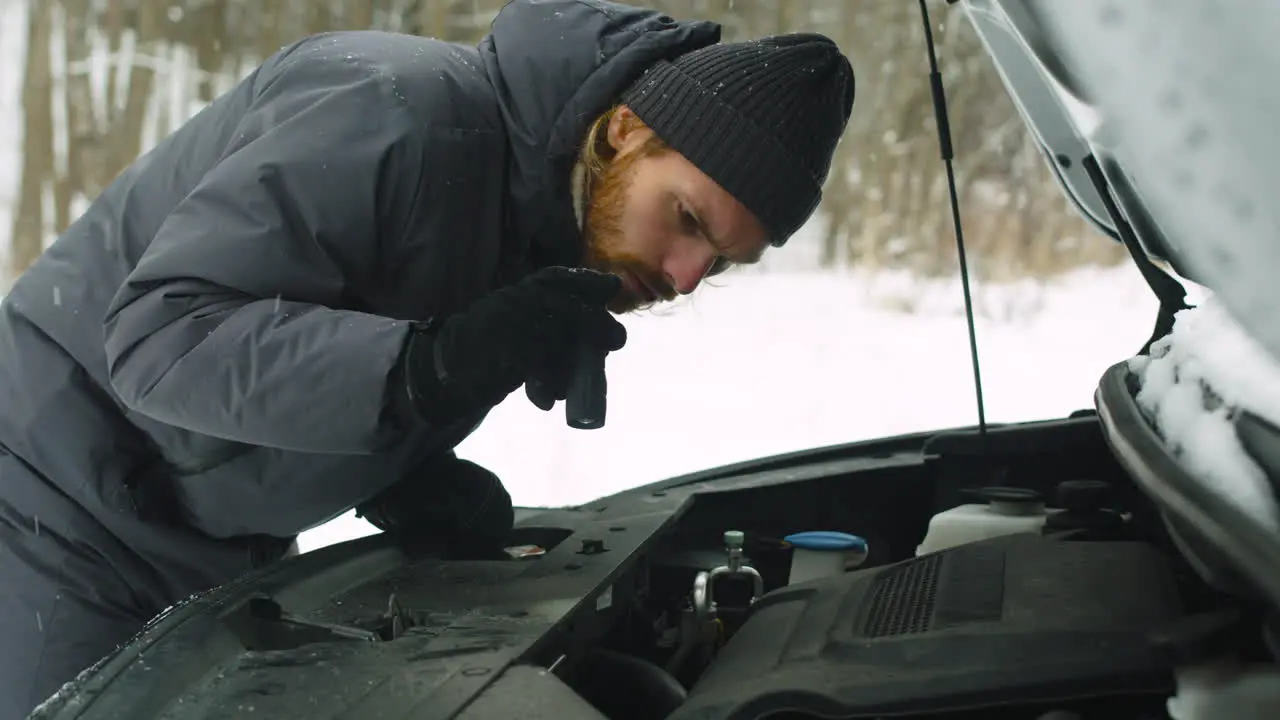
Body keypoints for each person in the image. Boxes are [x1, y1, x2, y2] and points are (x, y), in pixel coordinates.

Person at [0, 0, 854, 715]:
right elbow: (160, 339)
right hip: (50, 505)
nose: (684, 276)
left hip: (211, 548)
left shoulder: (546, 228)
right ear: (627, 129)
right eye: (690, 222)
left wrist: (396, 473)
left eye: (723, 263)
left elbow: (314, 324)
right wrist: (422, 370)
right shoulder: (393, 111)